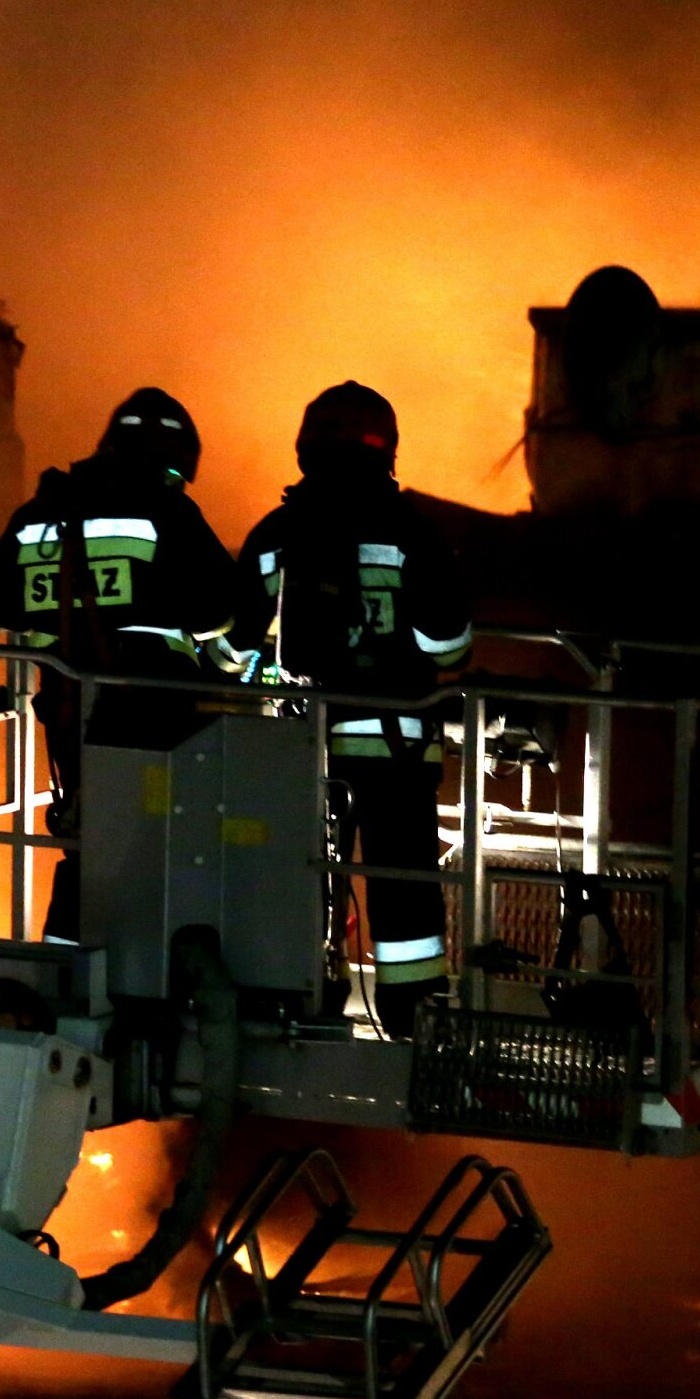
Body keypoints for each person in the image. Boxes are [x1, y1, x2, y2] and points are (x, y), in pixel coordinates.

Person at [225, 382, 475, 1036]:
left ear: (306, 446)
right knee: (401, 883)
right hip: (394, 744)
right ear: (386, 448)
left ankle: (304, 996)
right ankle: (412, 1015)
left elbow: (233, 645)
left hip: (295, 743)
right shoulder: (414, 534)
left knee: (298, 874)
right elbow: (448, 643)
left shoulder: (274, 534)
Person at [0, 387, 243, 938]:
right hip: (151, 705)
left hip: (68, 703)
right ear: (178, 461)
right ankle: (153, 951)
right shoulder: (169, 509)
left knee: (88, 838)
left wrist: (52, 621)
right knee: (158, 835)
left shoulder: (43, 511)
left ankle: (66, 957)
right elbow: (222, 606)